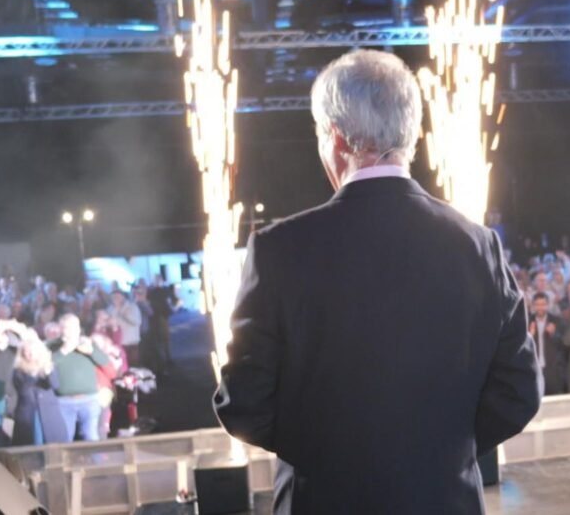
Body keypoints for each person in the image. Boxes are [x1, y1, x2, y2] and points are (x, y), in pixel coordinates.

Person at [214, 50, 541, 515]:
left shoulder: (278, 250)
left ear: (336, 138)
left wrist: (328, 456)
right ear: (411, 133)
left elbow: (243, 404)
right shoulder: (477, 245)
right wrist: (441, 450)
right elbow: (519, 392)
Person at [51, 314, 109, 442]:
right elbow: (45, 365)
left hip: (89, 399)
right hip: (64, 401)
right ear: (61, 329)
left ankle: (95, 456)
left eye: (74, 327)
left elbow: (104, 361)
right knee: (65, 438)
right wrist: (64, 350)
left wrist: (91, 351)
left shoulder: (88, 343)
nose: (72, 331)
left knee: (91, 437)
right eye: (67, 328)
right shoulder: (52, 345)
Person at [12, 335, 67, 446]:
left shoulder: (48, 366)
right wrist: (32, 374)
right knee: (32, 443)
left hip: (49, 411)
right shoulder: (18, 370)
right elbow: (22, 389)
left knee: (52, 443)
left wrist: (47, 372)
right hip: (28, 413)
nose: (30, 354)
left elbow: (55, 385)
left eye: (33, 351)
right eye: (27, 351)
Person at [530, 293, 565, 396]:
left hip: (552, 371)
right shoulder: (527, 321)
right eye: (537, 304)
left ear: (548, 305)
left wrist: (554, 334)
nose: (540, 307)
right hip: (534, 369)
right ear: (533, 306)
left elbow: (564, 344)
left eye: (543, 304)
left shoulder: (557, 321)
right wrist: (530, 336)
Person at [108, 289, 141, 365]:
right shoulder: (110, 308)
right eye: (113, 297)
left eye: (117, 297)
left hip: (130, 343)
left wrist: (118, 317)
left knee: (132, 364)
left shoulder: (132, 307)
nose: (115, 299)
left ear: (123, 297)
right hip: (118, 343)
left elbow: (136, 322)